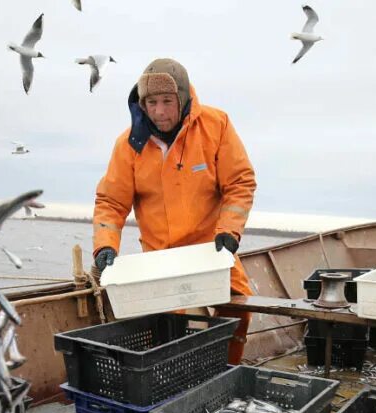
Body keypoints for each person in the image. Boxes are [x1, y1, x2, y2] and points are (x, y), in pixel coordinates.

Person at [91, 58, 256, 364]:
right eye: (151, 103)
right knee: (167, 327)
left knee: (239, 308)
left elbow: (240, 182)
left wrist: (230, 230)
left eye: (167, 101)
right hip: (159, 257)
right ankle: (175, 374)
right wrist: (104, 245)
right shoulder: (128, 145)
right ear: (142, 104)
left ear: (182, 98)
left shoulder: (216, 125)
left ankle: (227, 370)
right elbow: (111, 202)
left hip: (212, 249)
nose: (159, 111)